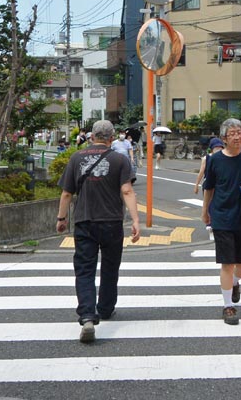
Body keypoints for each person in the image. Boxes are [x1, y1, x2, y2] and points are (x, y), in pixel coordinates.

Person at [56, 120, 141, 343]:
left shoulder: (76, 158)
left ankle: (87, 316)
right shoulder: (120, 159)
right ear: (112, 138)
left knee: (84, 269)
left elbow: (66, 194)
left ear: (92, 137)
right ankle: (105, 308)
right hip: (112, 222)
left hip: (84, 221)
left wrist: (62, 218)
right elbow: (127, 191)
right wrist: (136, 220)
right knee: (110, 267)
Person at [201, 118, 241, 326]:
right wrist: (205, 211)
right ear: (224, 138)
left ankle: (234, 283)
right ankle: (228, 306)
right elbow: (209, 187)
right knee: (227, 263)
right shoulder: (214, 160)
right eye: (232, 133)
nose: (237, 136)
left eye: (239, 132)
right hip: (222, 216)